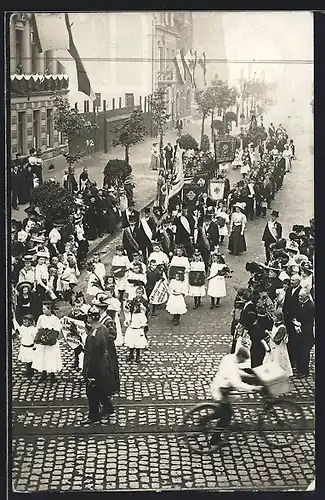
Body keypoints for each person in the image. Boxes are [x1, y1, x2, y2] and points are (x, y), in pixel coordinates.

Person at [209, 347, 263, 445]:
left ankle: (203, 421)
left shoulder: (229, 358)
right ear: (240, 356)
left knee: (221, 412)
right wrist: (254, 388)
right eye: (243, 360)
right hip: (221, 391)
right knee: (226, 416)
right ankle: (214, 439)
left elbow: (237, 372)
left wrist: (249, 376)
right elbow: (237, 383)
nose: (243, 362)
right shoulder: (232, 366)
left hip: (219, 385)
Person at [81, 305, 120, 424]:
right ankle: (108, 408)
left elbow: (92, 357)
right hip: (104, 364)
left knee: (92, 393)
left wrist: (89, 374)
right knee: (101, 389)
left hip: (96, 367)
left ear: (89, 319)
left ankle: (93, 416)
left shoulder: (93, 336)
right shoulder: (103, 328)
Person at [32, 301, 62, 383]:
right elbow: (38, 327)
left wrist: (51, 335)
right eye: (42, 309)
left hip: (51, 343)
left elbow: (57, 330)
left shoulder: (55, 319)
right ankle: (43, 373)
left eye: (45, 309)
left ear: (50, 309)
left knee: (51, 357)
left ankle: (52, 374)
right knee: (43, 357)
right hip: (43, 342)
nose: (43, 310)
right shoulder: (41, 317)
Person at [263, 310, 293, 377]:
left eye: (273, 317)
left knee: (278, 360)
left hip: (278, 348)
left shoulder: (282, 328)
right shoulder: (275, 324)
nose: (272, 318)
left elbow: (277, 340)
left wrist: (268, 333)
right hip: (273, 346)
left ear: (278, 318)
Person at [293, 288, 315, 378]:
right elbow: (296, 315)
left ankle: (304, 371)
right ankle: (299, 369)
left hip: (306, 334)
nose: (299, 297)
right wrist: (295, 322)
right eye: (299, 296)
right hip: (298, 332)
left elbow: (310, 323)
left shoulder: (311, 306)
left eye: (301, 296)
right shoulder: (299, 304)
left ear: (306, 296)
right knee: (298, 351)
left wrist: (300, 326)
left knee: (304, 353)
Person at [124, 286, 149, 363]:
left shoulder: (144, 301)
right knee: (132, 339)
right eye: (137, 293)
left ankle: (138, 355)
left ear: (142, 293)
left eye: (140, 293)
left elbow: (147, 310)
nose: (138, 294)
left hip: (139, 324)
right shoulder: (134, 300)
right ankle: (131, 354)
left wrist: (143, 308)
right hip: (133, 323)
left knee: (138, 340)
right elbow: (129, 309)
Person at [17, 314, 37, 378]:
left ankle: (30, 372)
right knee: (26, 359)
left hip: (30, 347)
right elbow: (20, 335)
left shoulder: (33, 329)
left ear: (30, 322)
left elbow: (35, 338)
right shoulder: (22, 328)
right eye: (23, 321)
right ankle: (28, 370)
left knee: (30, 360)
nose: (24, 323)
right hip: (24, 346)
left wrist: (35, 345)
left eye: (26, 321)